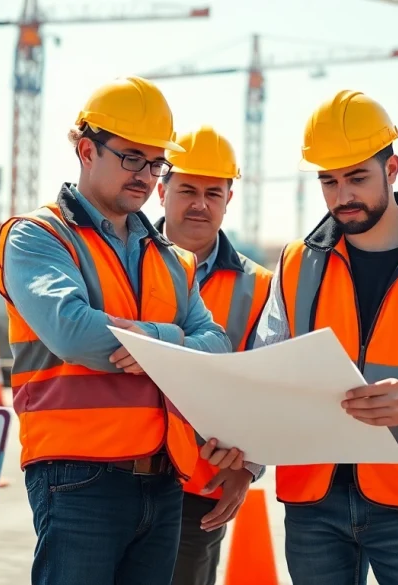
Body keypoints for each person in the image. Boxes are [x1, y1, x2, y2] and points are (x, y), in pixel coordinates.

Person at [202, 89, 398, 585]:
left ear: (392, 168)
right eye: (329, 182)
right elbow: (266, 371)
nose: (342, 197)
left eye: (357, 178)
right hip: (313, 503)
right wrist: (245, 462)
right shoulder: (296, 262)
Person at [0, 76, 232, 585]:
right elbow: (75, 334)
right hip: (78, 476)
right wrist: (176, 343)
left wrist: (155, 341)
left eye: (156, 162)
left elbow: (217, 346)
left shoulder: (173, 259)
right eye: (131, 157)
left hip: (165, 478)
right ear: (85, 149)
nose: (146, 174)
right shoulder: (38, 236)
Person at [154, 125, 272, 585]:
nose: (199, 203)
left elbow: (268, 384)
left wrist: (248, 467)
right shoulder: (124, 263)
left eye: (212, 192)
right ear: (162, 191)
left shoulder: (260, 287)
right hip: (115, 473)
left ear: (228, 200)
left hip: (202, 483)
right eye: (186, 190)